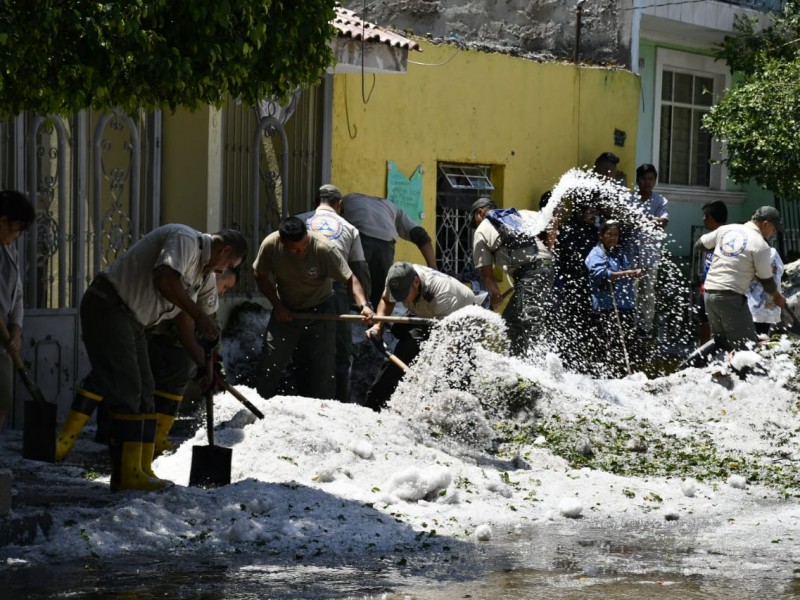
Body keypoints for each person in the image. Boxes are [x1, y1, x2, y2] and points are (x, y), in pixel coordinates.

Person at [77, 225, 247, 490]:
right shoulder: (185, 240)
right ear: (225, 250)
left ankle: (141, 469)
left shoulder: (205, 277)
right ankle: (126, 474)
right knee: (128, 389)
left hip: (134, 322)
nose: (222, 271)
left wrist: (207, 366)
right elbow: (165, 278)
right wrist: (199, 316)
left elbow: (199, 325)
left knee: (146, 391)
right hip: (108, 306)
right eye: (229, 264)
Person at [55, 268, 239, 461]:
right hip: (136, 326)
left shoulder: (207, 295)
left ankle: (153, 440)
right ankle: (68, 438)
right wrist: (203, 363)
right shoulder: (190, 272)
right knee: (107, 375)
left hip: (161, 342)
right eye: (225, 286)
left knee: (174, 371)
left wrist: (213, 365)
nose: (222, 292)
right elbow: (183, 324)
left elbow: (207, 333)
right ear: (218, 273)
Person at [252, 216, 374, 402]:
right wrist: (277, 305)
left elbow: (350, 279)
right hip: (286, 311)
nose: (301, 252)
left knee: (323, 369)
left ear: (307, 236)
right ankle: (258, 407)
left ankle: (324, 413)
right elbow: (260, 275)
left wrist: (363, 305)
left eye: (304, 246)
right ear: (283, 242)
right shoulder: (271, 245)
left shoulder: (323, 248)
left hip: (321, 311)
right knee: (270, 362)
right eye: (295, 249)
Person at [364, 262, 479, 411]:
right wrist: (378, 326)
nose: (403, 300)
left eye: (405, 295)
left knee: (454, 369)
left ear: (416, 282)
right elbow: (387, 300)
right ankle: (373, 406)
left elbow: (448, 343)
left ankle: (456, 412)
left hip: (459, 320)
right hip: (427, 315)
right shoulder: (396, 278)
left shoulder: (443, 294)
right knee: (402, 354)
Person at [297, 184, 371, 403]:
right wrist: (364, 301)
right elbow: (359, 269)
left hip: (301, 293)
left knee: (304, 348)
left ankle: (300, 399)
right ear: (339, 205)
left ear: (317, 202)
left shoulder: (299, 221)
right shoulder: (349, 228)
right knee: (339, 352)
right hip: (335, 293)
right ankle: (340, 404)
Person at [469, 197, 555, 355]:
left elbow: (487, 275)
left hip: (529, 274)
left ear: (480, 213)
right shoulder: (518, 214)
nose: (476, 226)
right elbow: (552, 220)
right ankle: (520, 363)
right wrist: (549, 249)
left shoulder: (481, 230)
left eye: (474, 221)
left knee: (529, 319)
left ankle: (540, 363)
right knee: (512, 319)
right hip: (547, 268)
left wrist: (496, 297)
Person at [697, 206, 786, 355]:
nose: (774, 233)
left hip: (709, 294)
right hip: (730, 298)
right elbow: (767, 281)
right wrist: (777, 297)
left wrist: (727, 255)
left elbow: (699, 244)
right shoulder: (760, 245)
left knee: (722, 342)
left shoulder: (727, 229)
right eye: (774, 228)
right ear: (765, 224)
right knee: (748, 348)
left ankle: (689, 368)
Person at [340, 192, 437, 309]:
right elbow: (420, 235)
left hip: (361, 238)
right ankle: (377, 323)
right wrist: (434, 270)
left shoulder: (345, 200)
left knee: (355, 292)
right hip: (385, 244)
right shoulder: (391, 207)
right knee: (380, 294)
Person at [585, 220, 642, 376]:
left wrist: (632, 273)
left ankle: (622, 375)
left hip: (625, 306)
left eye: (616, 235)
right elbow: (600, 275)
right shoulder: (596, 253)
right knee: (605, 345)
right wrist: (628, 273)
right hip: (607, 307)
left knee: (626, 345)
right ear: (601, 235)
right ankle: (602, 375)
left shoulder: (620, 253)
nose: (613, 238)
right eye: (609, 234)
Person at [0, 191, 36, 432]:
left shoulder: (9, 250)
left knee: (3, 400)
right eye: (17, 228)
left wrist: (16, 330)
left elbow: (17, 293)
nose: (18, 235)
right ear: (2, 221)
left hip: (3, 338)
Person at [624, 164, 669, 338]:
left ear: (655, 180)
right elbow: (626, 221)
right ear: (638, 180)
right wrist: (649, 220)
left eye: (651, 178)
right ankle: (630, 326)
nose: (647, 182)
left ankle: (645, 327)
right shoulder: (630, 199)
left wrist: (646, 219)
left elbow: (663, 221)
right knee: (631, 291)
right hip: (630, 254)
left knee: (647, 293)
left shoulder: (660, 201)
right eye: (644, 178)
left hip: (650, 256)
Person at [553, 199, 598, 369]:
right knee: (568, 323)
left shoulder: (595, 232)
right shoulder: (567, 230)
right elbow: (560, 258)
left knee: (587, 325)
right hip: (569, 284)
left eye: (595, 212)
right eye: (590, 212)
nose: (593, 216)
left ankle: (582, 361)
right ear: (579, 211)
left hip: (588, 286)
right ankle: (567, 360)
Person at [697, 201, 728, 344]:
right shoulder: (711, 237)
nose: (703, 219)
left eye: (704, 216)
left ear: (708, 217)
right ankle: (703, 359)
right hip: (706, 287)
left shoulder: (726, 237)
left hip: (719, 289)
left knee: (713, 325)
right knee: (704, 323)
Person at [747, 247, 784, 337]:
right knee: (759, 337)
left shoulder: (746, 254)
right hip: (764, 304)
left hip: (751, 303)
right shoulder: (770, 254)